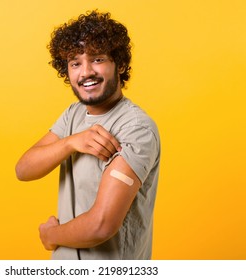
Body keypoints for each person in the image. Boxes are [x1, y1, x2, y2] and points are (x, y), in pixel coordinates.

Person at [16, 10, 160, 260]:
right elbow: (24, 169)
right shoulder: (74, 114)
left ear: (120, 64)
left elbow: (101, 225)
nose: (85, 72)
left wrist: (51, 236)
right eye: (75, 63)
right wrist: (71, 142)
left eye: (97, 59)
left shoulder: (136, 128)